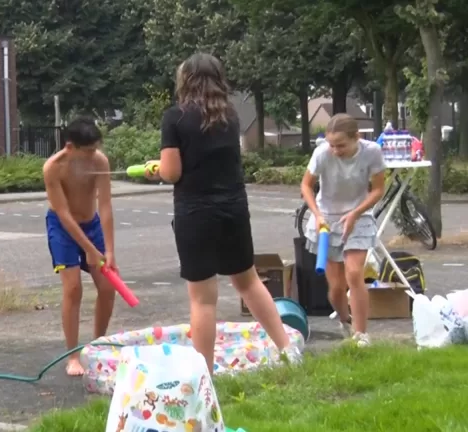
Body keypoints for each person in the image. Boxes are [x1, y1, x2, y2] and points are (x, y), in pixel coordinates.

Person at [144, 53, 302, 373]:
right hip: (233, 210)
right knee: (248, 281)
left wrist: (156, 169)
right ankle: (287, 350)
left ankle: (204, 374)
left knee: (203, 299)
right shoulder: (230, 117)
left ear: (185, 79)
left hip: (196, 213)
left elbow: (172, 172)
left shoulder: (174, 118)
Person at [300, 113, 386, 347]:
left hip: (359, 215)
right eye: (332, 145)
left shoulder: (371, 152)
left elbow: (378, 190)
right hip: (326, 220)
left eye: (341, 145)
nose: (335, 150)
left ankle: (361, 334)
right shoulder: (322, 154)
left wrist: (356, 212)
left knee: (354, 273)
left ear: (356, 137)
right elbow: (306, 185)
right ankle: (344, 318)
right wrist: (317, 216)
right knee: (336, 288)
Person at [43, 116, 117, 376]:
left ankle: (97, 346)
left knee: (108, 287)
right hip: (62, 228)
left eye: (95, 149)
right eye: (88, 150)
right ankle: (72, 356)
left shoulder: (100, 162)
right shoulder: (53, 168)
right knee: (73, 289)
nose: (93, 155)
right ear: (70, 147)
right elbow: (63, 214)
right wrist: (88, 249)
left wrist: (108, 250)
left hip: (92, 225)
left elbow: (105, 206)